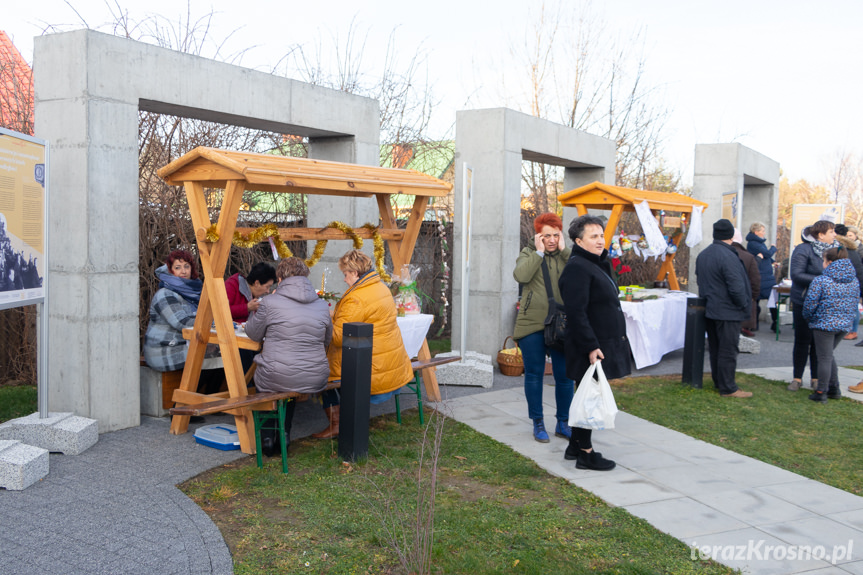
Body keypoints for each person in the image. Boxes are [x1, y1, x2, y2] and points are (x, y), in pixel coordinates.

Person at [312, 250, 414, 439]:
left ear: (355, 273)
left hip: (371, 367)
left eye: (345, 274)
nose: (344, 279)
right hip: (389, 363)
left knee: (321, 375)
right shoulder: (380, 287)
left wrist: (321, 320)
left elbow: (337, 337)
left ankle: (336, 425)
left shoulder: (356, 298)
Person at [558, 215, 630, 471]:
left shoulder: (597, 263)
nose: (601, 240)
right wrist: (591, 346)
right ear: (579, 241)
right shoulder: (578, 267)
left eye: (601, 235)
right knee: (590, 397)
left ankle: (574, 446)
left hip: (599, 342)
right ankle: (586, 453)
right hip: (589, 346)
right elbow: (577, 312)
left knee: (586, 392)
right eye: (593, 236)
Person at [244, 257, 333, 456]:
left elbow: (253, 333)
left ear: (280, 278)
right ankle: (284, 434)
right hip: (315, 375)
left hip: (279, 374)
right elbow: (327, 339)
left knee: (268, 380)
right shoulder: (321, 305)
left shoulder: (270, 302)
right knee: (290, 383)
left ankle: (267, 438)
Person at [512, 213, 574, 443]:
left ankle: (563, 422)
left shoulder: (568, 256)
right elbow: (520, 275)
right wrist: (538, 254)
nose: (551, 240)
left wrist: (566, 250)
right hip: (532, 324)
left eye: (555, 235)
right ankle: (538, 422)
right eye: (546, 235)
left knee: (565, 376)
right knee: (534, 374)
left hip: (562, 324)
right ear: (538, 236)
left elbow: (582, 273)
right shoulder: (529, 253)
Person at [143, 249, 222, 396]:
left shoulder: (195, 290)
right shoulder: (165, 294)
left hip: (186, 342)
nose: (183, 271)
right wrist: (211, 321)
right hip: (164, 347)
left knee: (224, 354)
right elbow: (181, 322)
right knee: (207, 355)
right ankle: (182, 407)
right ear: (171, 271)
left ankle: (210, 401)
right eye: (177, 267)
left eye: (186, 266)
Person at [695, 219, 753, 398]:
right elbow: (736, 286)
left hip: (710, 308)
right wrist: (743, 303)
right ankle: (728, 388)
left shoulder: (704, 254)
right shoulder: (728, 255)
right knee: (727, 349)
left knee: (715, 347)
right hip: (728, 310)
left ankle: (719, 381)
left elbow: (700, 281)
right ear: (731, 235)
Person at [802, 247, 859, 402]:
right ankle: (834, 388)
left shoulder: (821, 280)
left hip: (824, 323)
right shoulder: (853, 280)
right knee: (828, 355)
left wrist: (809, 318)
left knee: (824, 358)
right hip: (844, 324)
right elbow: (854, 302)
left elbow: (810, 304)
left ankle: (821, 392)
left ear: (830, 262)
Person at [788, 221, 838, 391]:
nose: (834, 235)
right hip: (804, 301)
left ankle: (816, 378)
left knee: (820, 343)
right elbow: (796, 274)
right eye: (831, 231)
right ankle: (797, 378)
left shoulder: (836, 251)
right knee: (803, 340)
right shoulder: (804, 249)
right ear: (820, 235)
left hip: (826, 303)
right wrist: (822, 281)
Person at [225, 262, 278, 376]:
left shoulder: (254, 295)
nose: (267, 291)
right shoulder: (233, 284)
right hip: (230, 337)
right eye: (267, 287)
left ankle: (254, 384)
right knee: (246, 354)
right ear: (257, 283)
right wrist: (246, 307)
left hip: (247, 336)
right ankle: (247, 387)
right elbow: (221, 311)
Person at [745, 222, 778, 331]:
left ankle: (773, 323)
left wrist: (772, 262)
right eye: (762, 231)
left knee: (771, 301)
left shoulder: (757, 243)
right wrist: (773, 248)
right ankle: (756, 324)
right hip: (761, 276)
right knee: (759, 301)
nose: (764, 233)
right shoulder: (754, 243)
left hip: (766, 276)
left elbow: (764, 256)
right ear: (756, 232)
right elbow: (767, 254)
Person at [833, 225, 863, 340]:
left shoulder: (846, 249)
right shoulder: (850, 248)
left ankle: (853, 331)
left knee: (853, 308)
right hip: (853, 281)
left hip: (852, 282)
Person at [732, 228, 760, 337]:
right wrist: (753, 297)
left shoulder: (713, 254)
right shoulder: (747, 256)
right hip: (743, 298)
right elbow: (755, 280)